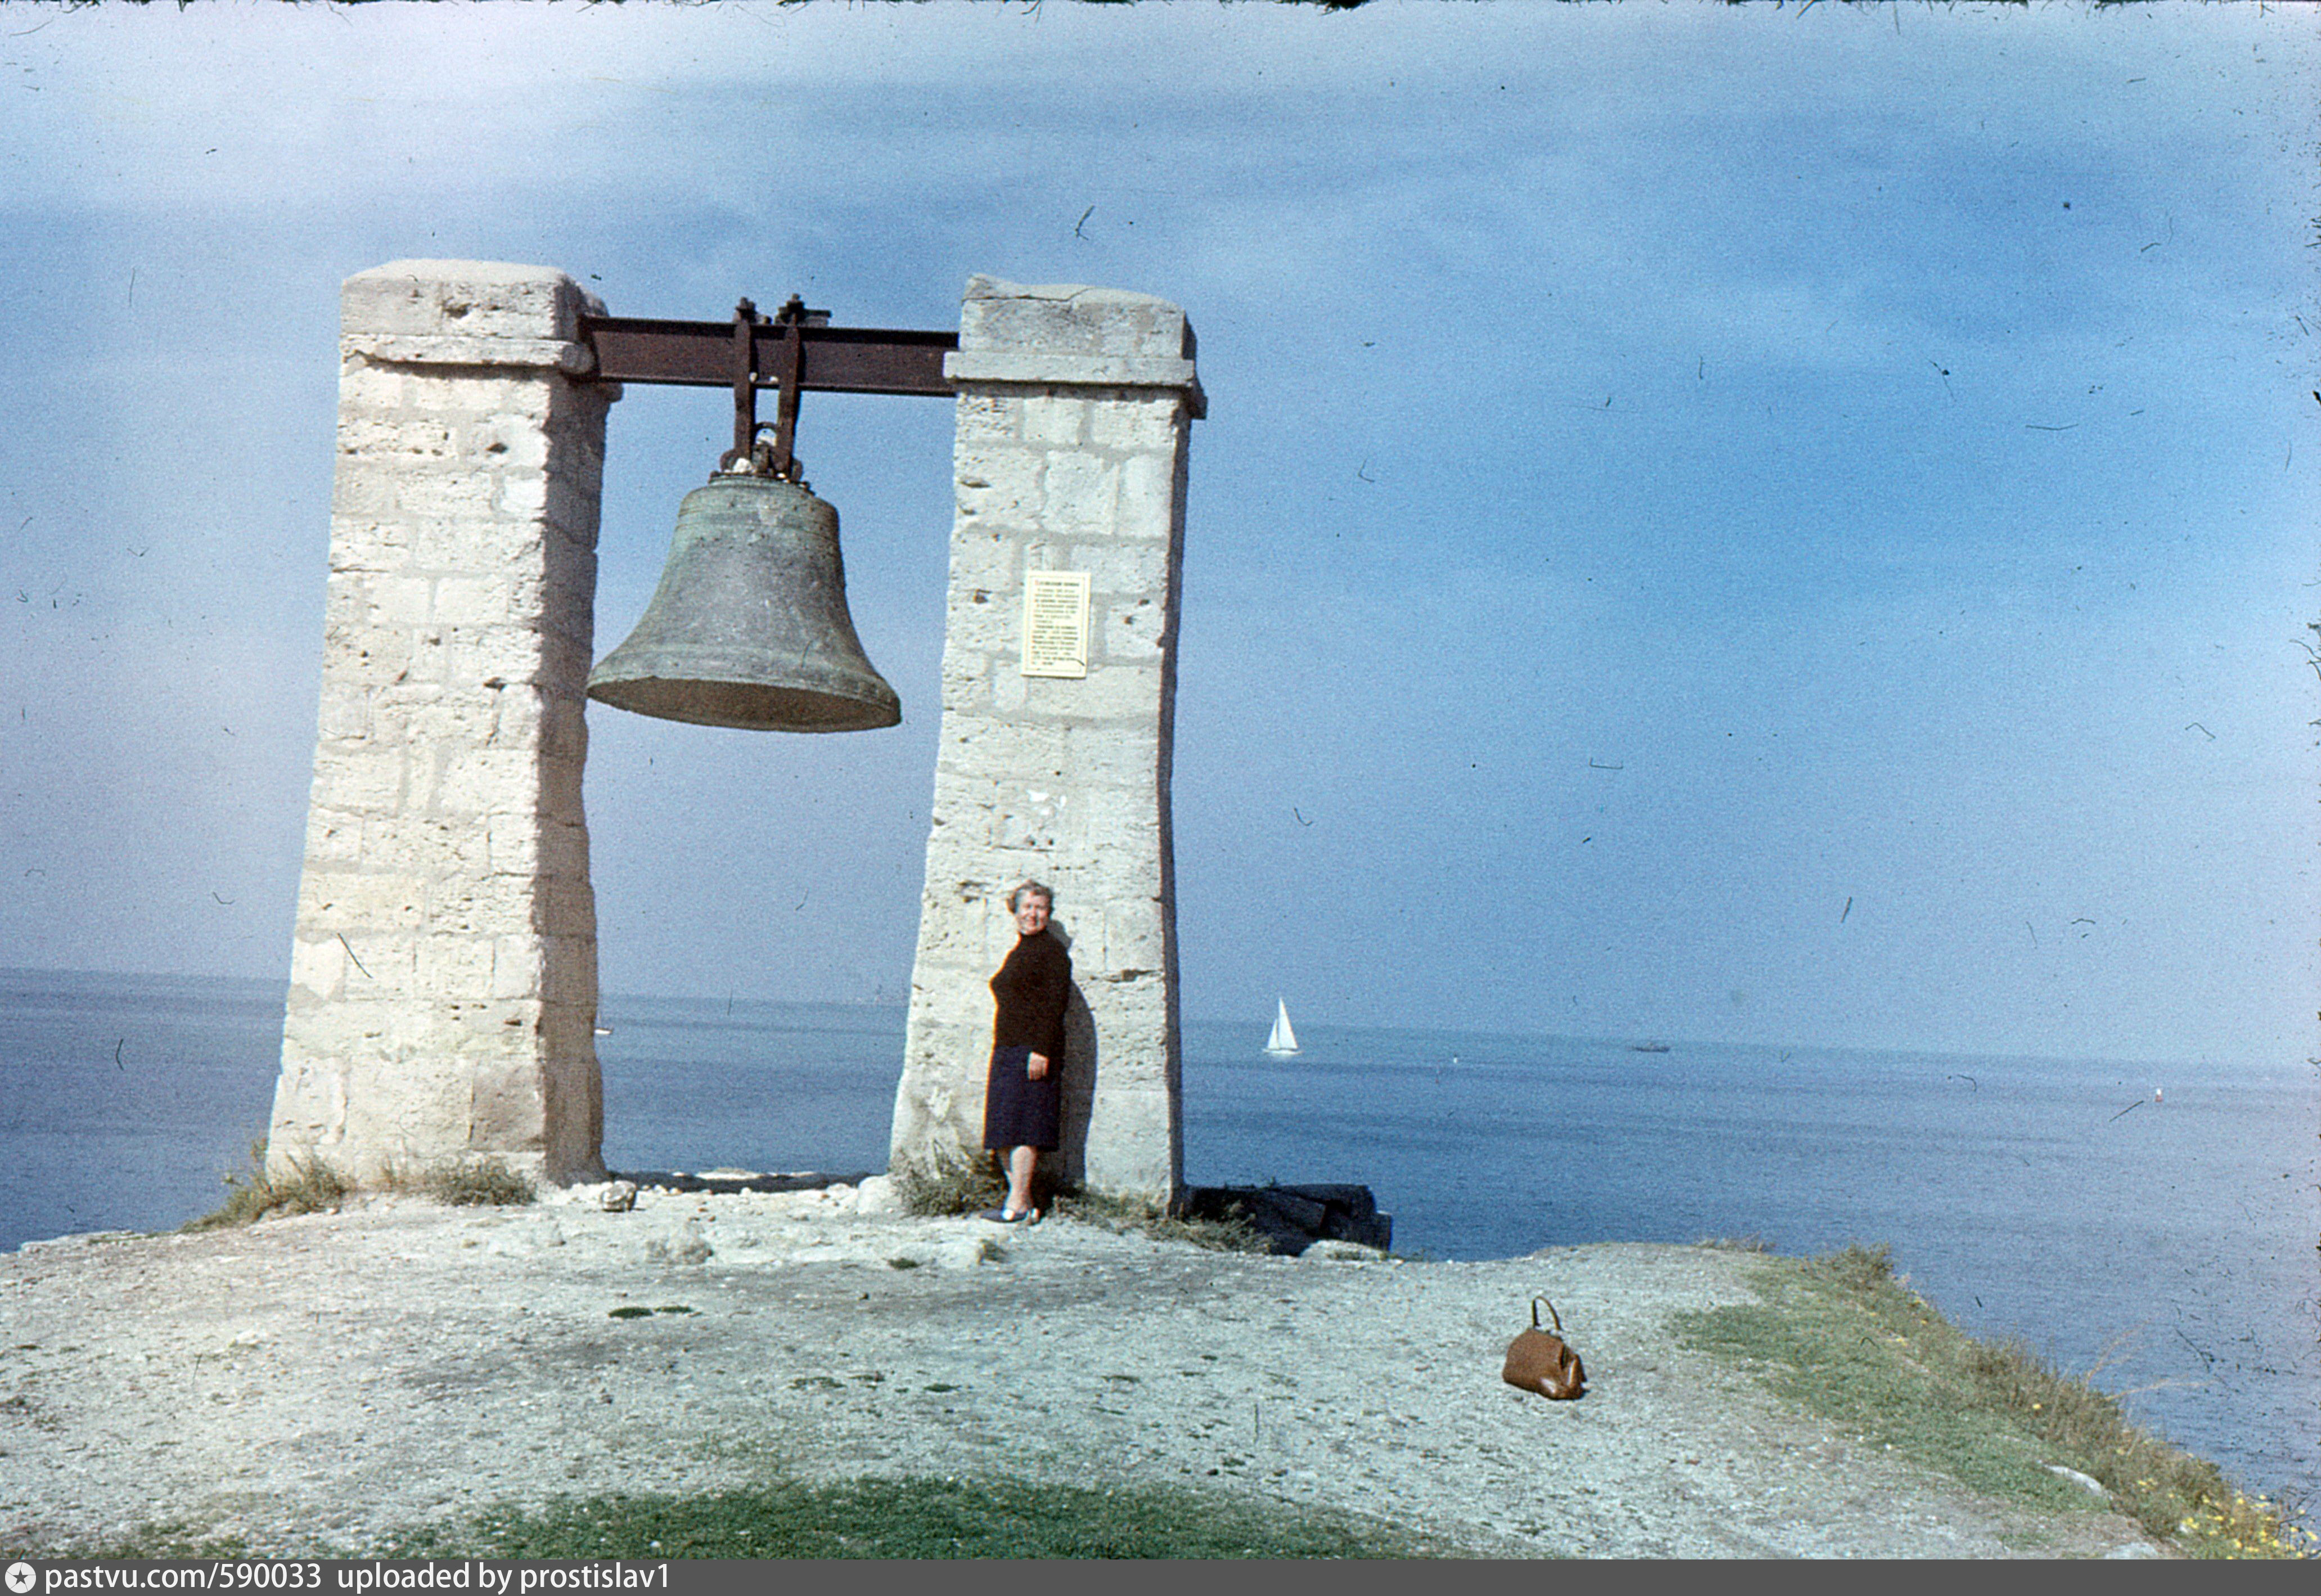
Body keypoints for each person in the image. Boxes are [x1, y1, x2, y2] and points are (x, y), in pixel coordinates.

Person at [980, 880, 1070, 1223]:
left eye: (1040, 908)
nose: (1033, 914)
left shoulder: (1052, 952)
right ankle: (1024, 1202)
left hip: (1033, 1052)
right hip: (1008, 1049)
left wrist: (1041, 1050)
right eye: (1027, 907)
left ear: (1049, 914)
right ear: (1015, 911)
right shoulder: (1022, 950)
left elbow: (1055, 1005)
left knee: (1025, 1128)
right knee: (1003, 1129)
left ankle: (1016, 1204)